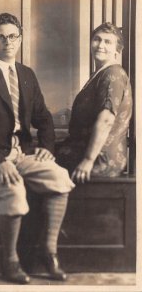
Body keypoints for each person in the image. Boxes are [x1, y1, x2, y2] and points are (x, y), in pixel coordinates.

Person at [0, 12, 75, 284]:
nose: (7, 42)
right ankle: (10, 262)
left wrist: (47, 146)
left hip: (20, 153)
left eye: (12, 36)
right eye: (0, 37)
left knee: (60, 178)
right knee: (14, 189)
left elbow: (43, 117)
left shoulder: (26, 75)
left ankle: (49, 254)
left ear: (20, 40)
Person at [57, 22, 133, 183]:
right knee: (38, 153)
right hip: (84, 150)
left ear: (117, 50)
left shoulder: (113, 74)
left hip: (99, 158)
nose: (100, 45)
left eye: (108, 42)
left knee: (35, 163)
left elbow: (106, 120)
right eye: (97, 39)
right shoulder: (99, 74)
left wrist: (88, 160)